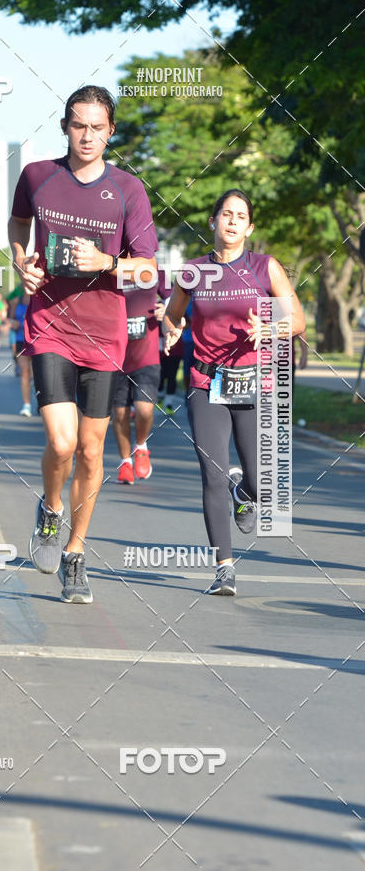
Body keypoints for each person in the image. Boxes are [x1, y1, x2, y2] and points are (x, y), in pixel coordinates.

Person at [9, 85, 158, 604]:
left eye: (98, 127)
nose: (88, 135)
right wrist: (19, 260)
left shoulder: (128, 190)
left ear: (110, 131)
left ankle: (75, 553)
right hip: (50, 323)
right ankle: (50, 510)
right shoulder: (38, 177)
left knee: (93, 451)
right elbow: (18, 223)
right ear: (65, 126)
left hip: (105, 335)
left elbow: (148, 267)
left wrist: (108, 264)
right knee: (63, 442)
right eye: (79, 125)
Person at [162, 189, 306, 596]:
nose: (231, 221)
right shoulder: (191, 272)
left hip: (254, 381)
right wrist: (171, 331)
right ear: (212, 221)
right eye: (225, 214)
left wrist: (270, 328)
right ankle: (224, 567)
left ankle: (245, 492)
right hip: (207, 383)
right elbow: (174, 316)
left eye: (240, 216)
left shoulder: (265, 267)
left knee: (264, 485)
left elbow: (297, 319)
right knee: (212, 475)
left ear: (250, 227)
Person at [112, 277, 161, 483]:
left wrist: (167, 311)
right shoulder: (108, 269)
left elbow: (177, 299)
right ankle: (125, 462)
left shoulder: (153, 271)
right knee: (120, 412)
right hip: (115, 357)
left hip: (146, 356)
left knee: (144, 409)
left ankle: (141, 446)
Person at [12, 292, 32, 416]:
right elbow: (12, 319)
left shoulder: (41, 296)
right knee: (24, 373)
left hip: (38, 341)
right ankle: (26, 405)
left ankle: (42, 403)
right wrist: (14, 323)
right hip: (21, 340)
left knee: (38, 375)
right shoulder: (17, 300)